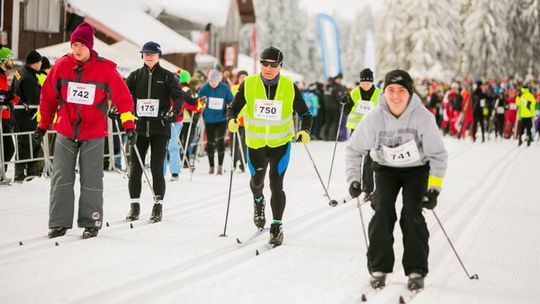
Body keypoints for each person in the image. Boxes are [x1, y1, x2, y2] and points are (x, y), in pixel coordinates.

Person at [345, 69, 448, 291]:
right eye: (390, 90)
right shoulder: (374, 117)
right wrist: (354, 180)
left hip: (416, 170)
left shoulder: (423, 117)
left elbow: (438, 155)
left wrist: (434, 189)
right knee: (382, 211)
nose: (395, 96)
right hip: (385, 169)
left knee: (412, 214)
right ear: (384, 92)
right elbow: (354, 149)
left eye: (401, 90)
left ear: (410, 93)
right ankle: (379, 269)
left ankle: (416, 270)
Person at [32, 22, 137, 239]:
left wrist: (129, 125)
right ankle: (59, 223)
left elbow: (123, 99)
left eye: (81, 45)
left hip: (94, 133)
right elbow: (48, 99)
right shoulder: (61, 66)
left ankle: (92, 221)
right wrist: (42, 126)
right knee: (61, 178)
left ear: (90, 46)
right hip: (66, 130)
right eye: (74, 45)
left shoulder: (105, 69)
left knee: (91, 179)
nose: (77, 49)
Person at [227, 46, 313, 246]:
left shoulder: (289, 86)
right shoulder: (248, 84)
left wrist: (305, 131)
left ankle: (276, 226)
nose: (268, 68)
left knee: (276, 183)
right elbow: (233, 107)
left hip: (280, 143)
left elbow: (305, 114)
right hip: (256, 144)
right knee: (257, 182)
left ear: (280, 66)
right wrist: (232, 119)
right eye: (264, 64)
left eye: (273, 65)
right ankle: (258, 202)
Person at [124, 41, 184, 223]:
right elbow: (124, 97)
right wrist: (119, 110)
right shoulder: (134, 76)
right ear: (142, 55)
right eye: (146, 53)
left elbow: (179, 96)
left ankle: (158, 206)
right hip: (139, 129)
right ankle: (134, 206)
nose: (149, 56)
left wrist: (174, 111)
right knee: (135, 169)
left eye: (153, 53)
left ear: (159, 56)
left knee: (157, 168)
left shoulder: (167, 77)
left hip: (160, 129)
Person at [341, 68, 381, 203]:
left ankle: (368, 190)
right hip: (356, 130)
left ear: (372, 82)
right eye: (363, 82)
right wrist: (344, 102)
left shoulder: (379, 94)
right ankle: (355, 184)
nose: (365, 84)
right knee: (355, 159)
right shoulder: (354, 93)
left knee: (369, 159)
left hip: (372, 130)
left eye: (368, 82)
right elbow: (346, 111)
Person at [11, 50, 42, 181]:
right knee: (28, 143)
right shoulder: (29, 77)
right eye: (39, 61)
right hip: (26, 116)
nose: (40, 64)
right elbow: (34, 100)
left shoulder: (19, 72)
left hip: (17, 114)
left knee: (23, 142)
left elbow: (12, 90)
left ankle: (26, 172)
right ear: (35, 63)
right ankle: (22, 174)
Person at [198, 69, 234, 175]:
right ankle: (211, 166)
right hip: (209, 119)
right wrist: (201, 102)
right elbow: (199, 101)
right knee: (210, 142)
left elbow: (231, 100)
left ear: (219, 80)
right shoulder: (204, 88)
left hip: (221, 119)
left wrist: (229, 107)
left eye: (215, 81)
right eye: (211, 81)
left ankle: (220, 167)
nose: (213, 83)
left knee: (220, 141)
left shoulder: (224, 88)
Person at [0, 45, 17, 178]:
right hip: (1, 117)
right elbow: (2, 96)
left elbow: (6, 94)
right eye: (10, 59)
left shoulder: (4, 76)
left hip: (5, 118)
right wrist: (10, 99)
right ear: (3, 60)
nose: (13, 62)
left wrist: (16, 100)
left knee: (7, 148)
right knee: (8, 148)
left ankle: (2, 174)